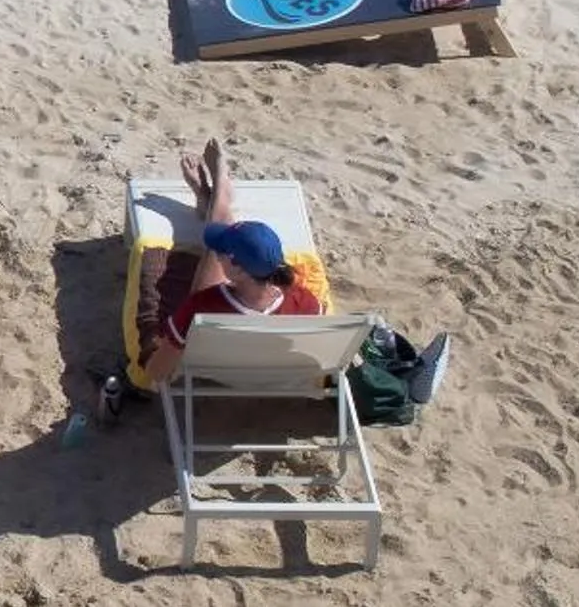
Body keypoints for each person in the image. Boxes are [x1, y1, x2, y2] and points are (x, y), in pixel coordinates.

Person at [98, 138, 451, 423]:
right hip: (282, 376)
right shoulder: (306, 304)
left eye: (225, 255)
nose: (221, 257)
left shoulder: (203, 308)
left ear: (234, 268)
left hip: (213, 370)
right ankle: (216, 199)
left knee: (197, 274)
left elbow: (159, 373)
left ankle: (218, 198)